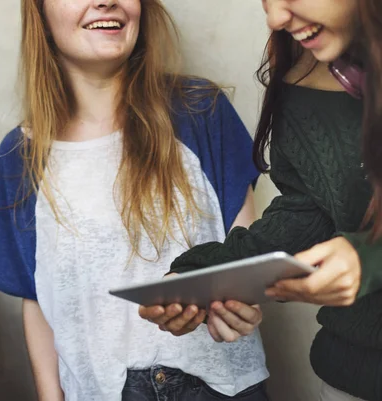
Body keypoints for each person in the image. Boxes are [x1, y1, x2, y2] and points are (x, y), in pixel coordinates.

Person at [0, 0, 269, 400]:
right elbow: (39, 299)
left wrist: (238, 303)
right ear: (40, 16)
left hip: (222, 388)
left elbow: (246, 254)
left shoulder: (201, 109)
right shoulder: (19, 157)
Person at [141, 0, 381, 400]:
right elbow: (307, 210)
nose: (274, 18)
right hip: (348, 380)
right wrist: (202, 275)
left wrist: (368, 259)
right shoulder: (304, 76)